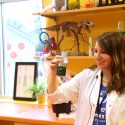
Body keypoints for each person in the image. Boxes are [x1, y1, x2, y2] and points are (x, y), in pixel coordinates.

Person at [47, 32, 125, 125]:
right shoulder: (86, 76)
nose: (97, 56)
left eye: (103, 52)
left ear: (116, 55)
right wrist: (53, 72)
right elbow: (55, 97)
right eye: (95, 51)